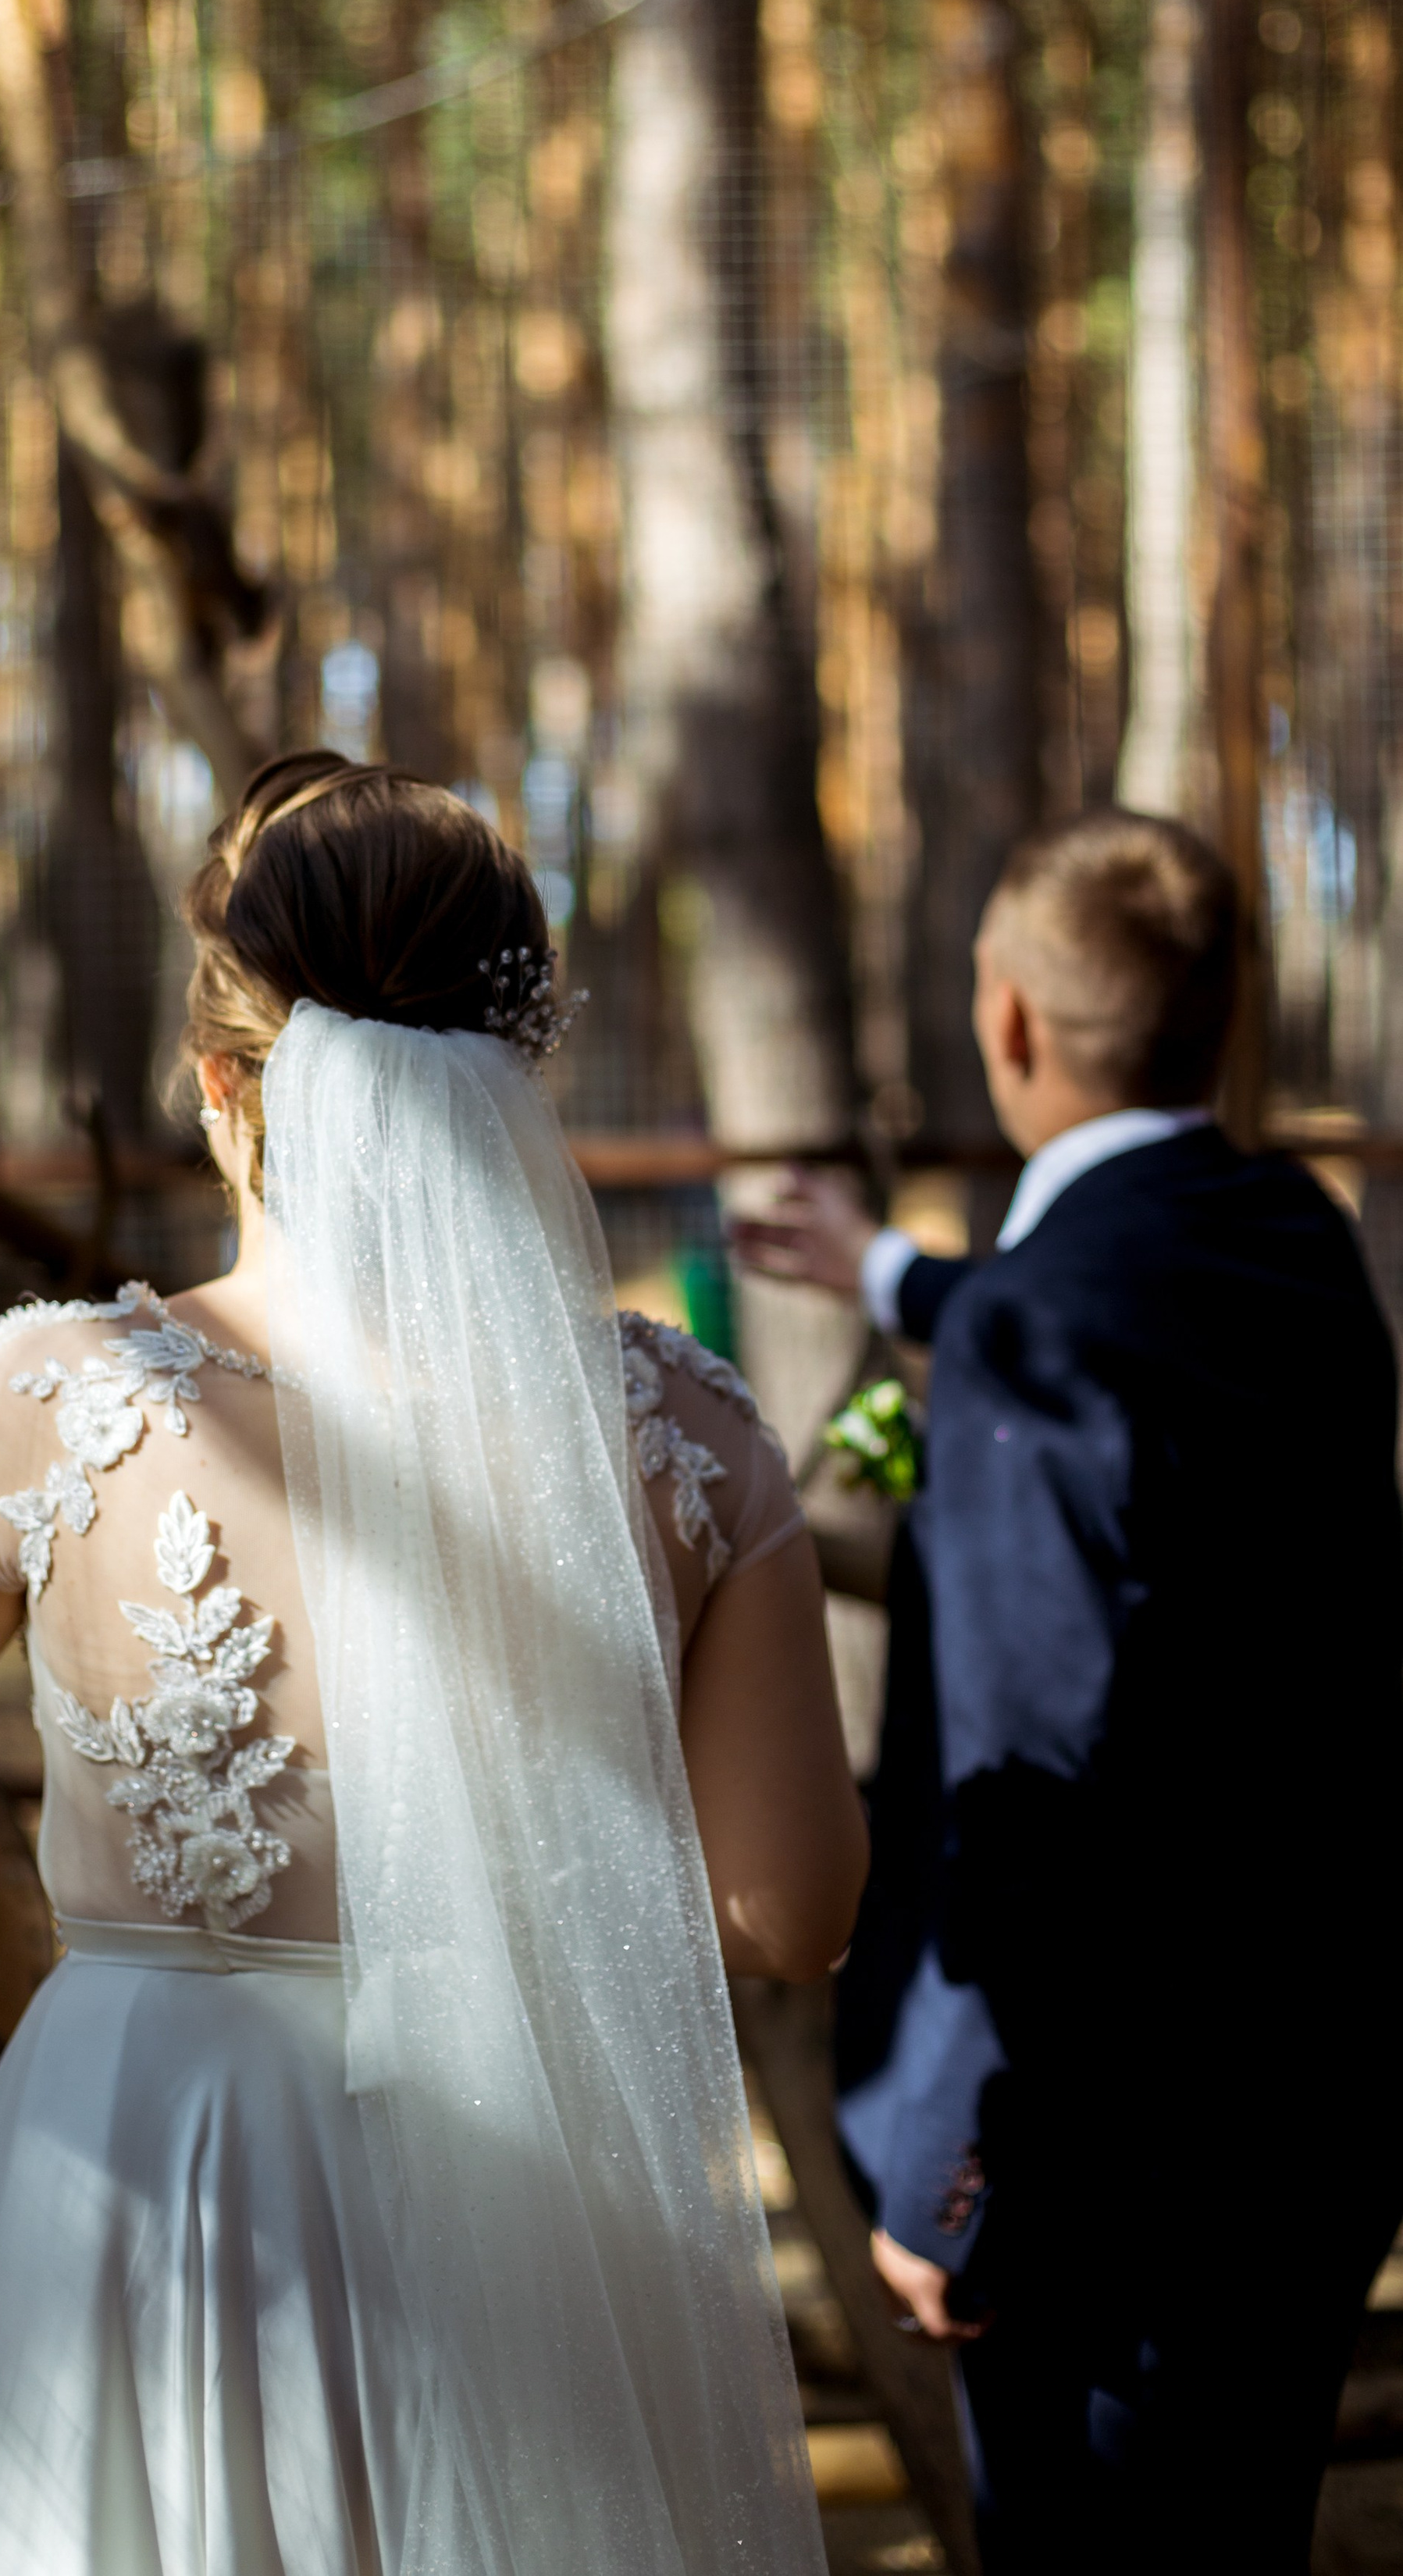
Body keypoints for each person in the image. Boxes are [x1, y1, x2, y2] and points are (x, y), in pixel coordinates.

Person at [0, 752, 868, 2576]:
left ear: (218, 1086)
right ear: (514, 1076)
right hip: (538, 2203)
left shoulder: (57, 1400)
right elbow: (789, 1912)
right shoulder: (688, 1433)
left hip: (153, 2186)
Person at [738, 807, 1403, 2574]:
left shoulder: (1035, 1332)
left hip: (1110, 2166)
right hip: (1318, 2101)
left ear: (1011, 1020)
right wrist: (894, 1276)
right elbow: (1118, 1317)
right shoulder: (1293, 1241)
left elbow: (1026, 1785)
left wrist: (952, 2177)